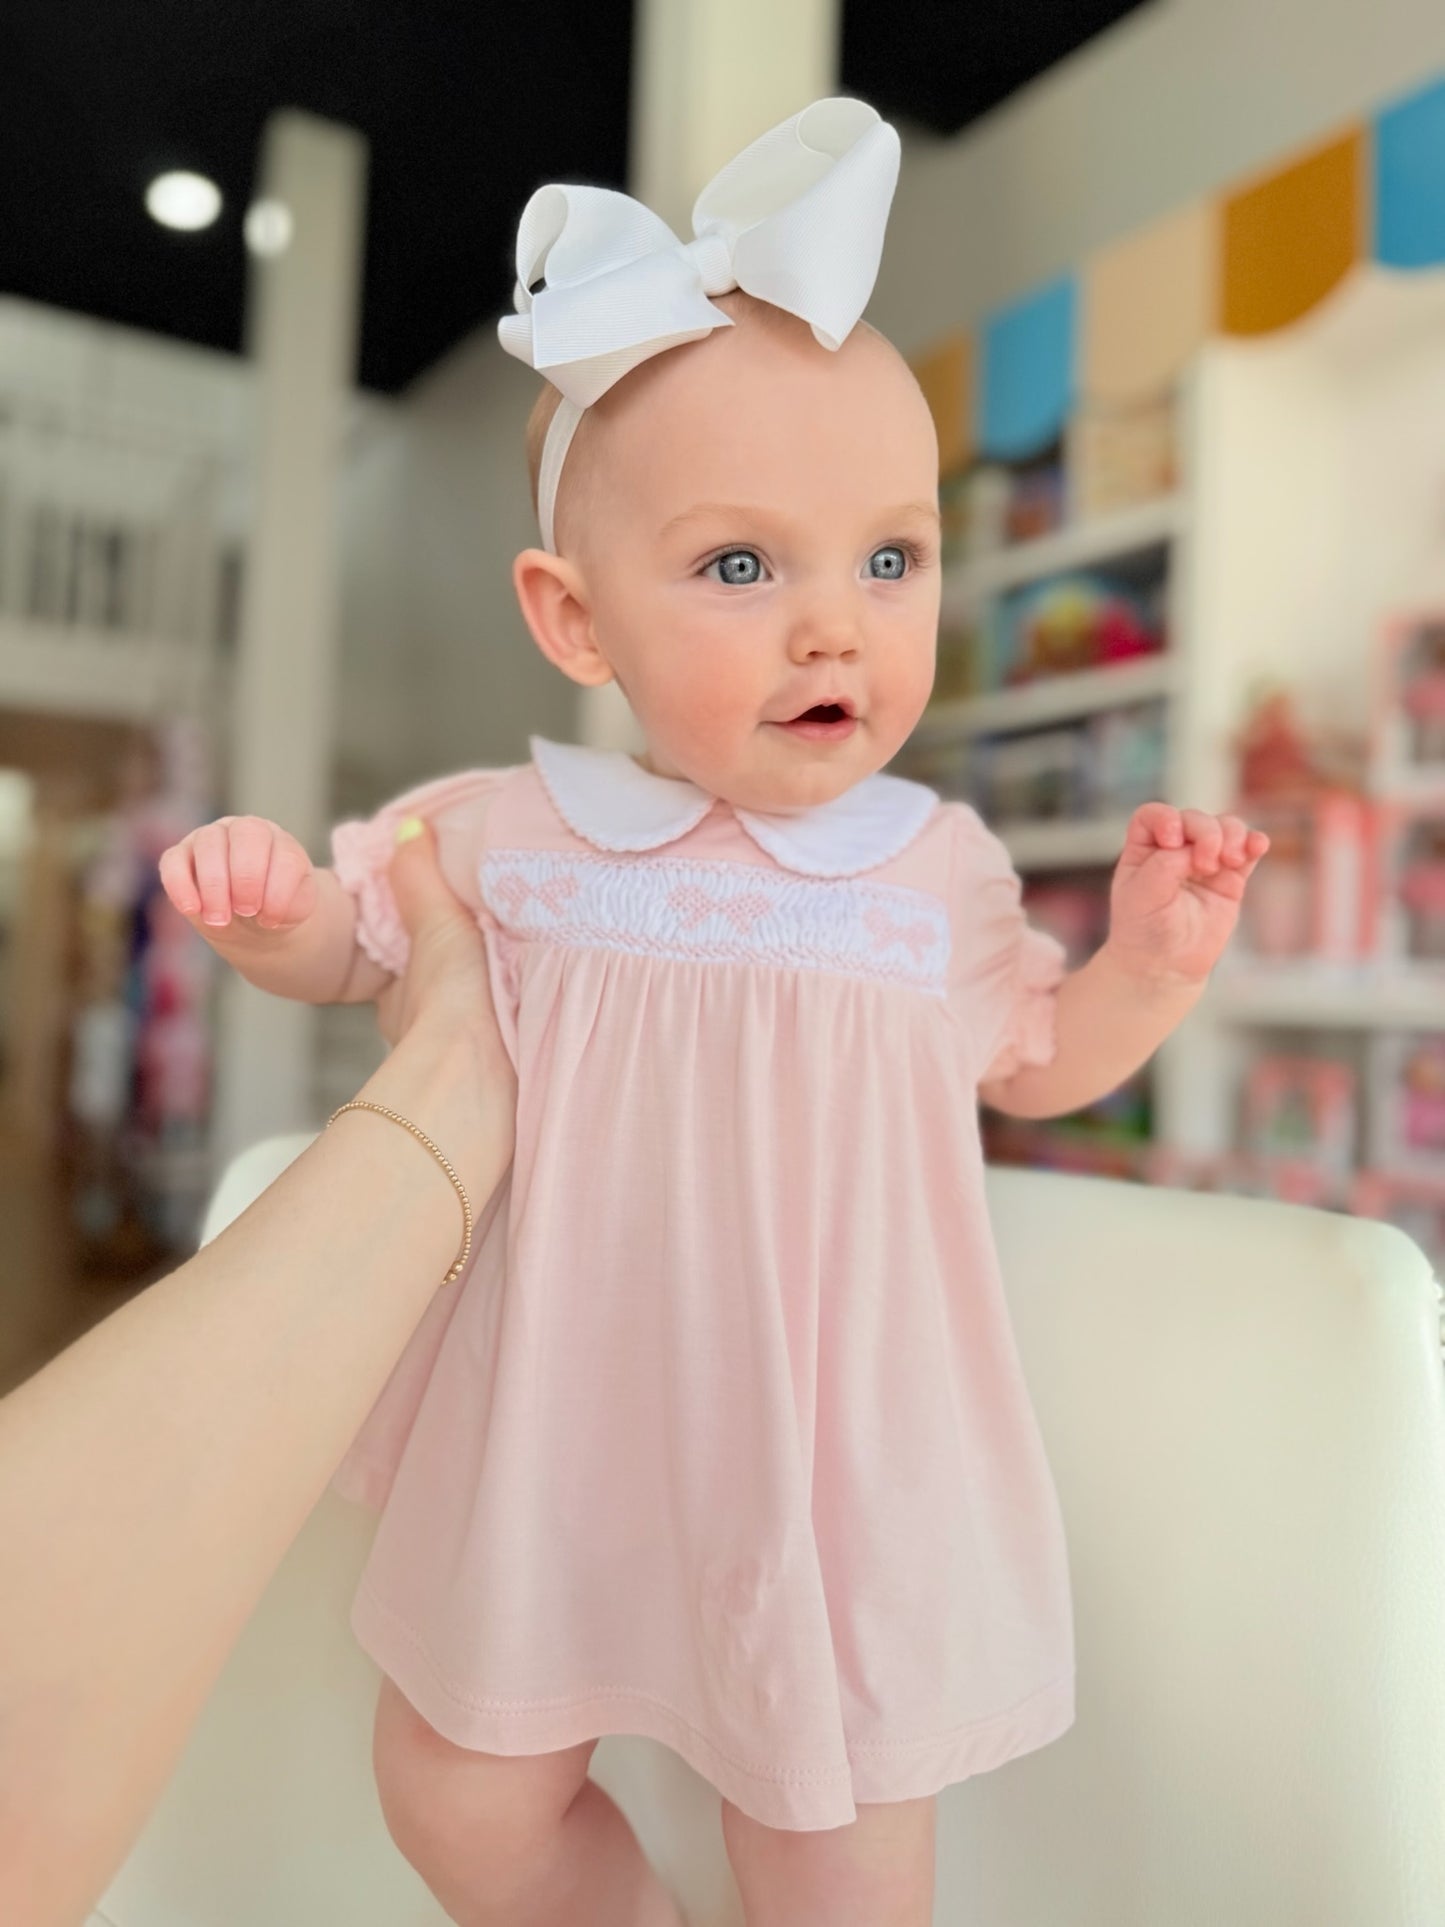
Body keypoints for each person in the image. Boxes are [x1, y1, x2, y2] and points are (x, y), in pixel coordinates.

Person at [157, 99, 1269, 1927]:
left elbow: (1046, 1056)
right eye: (744, 567)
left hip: (837, 1469)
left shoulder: (935, 871)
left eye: (889, 560)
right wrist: (274, 909)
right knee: (454, 1793)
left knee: (838, 1864)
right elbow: (365, 941)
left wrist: (1150, 957)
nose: (835, 627)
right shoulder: (509, 837)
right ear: (575, 618)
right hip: (560, 1437)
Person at [0, 820, 517, 1927]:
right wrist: (280, 914)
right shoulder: (505, 824)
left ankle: (458, 1069)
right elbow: (337, 936)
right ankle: (459, 1069)